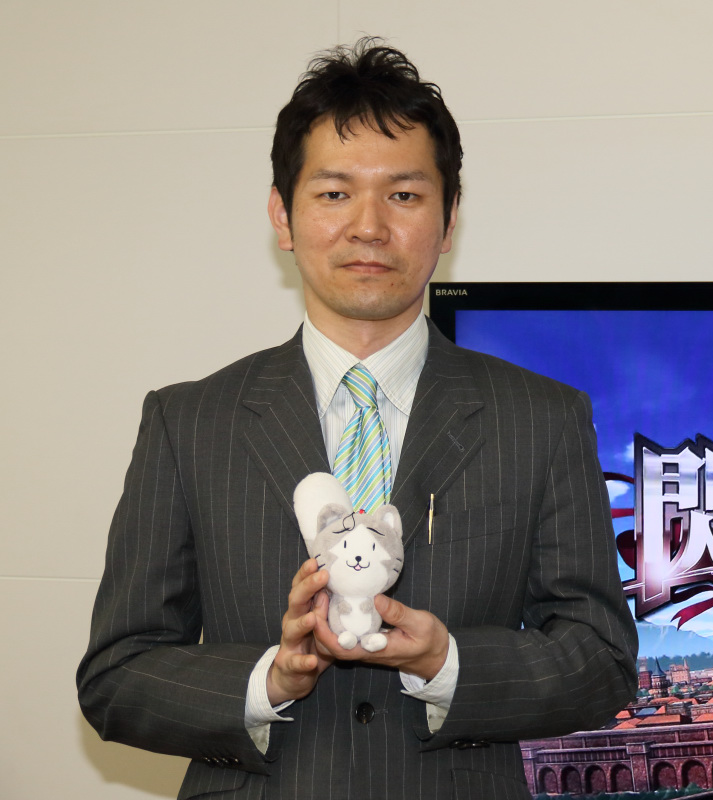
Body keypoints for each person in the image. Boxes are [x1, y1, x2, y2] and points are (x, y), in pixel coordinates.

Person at [78, 38, 638, 800]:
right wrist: (268, 679)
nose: (369, 226)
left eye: (403, 195)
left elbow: (602, 660)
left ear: (448, 221)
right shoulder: (189, 423)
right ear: (282, 216)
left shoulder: (543, 419)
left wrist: (448, 663)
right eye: (335, 194)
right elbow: (116, 675)